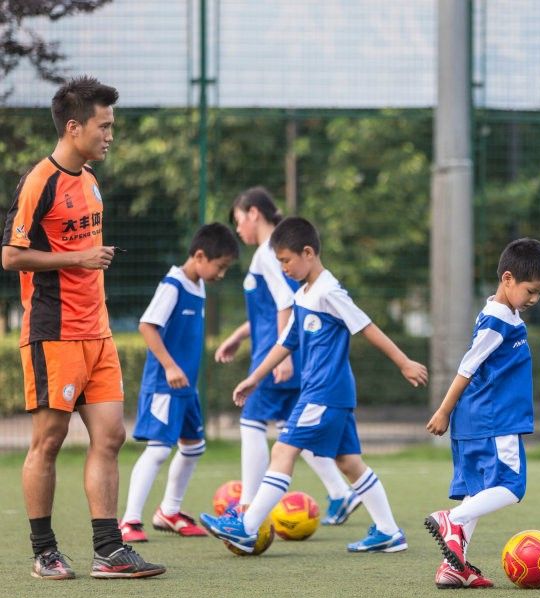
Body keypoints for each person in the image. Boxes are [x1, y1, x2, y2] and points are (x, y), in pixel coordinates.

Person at [0, 76, 164, 579]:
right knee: (48, 440)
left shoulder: (90, 178)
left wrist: (90, 262)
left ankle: (108, 550)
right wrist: (80, 257)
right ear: (74, 127)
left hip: (98, 332)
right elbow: (11, 256)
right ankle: (44, 551)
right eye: (104, 125)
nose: (111, 134)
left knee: (111, 435)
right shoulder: (38, 183)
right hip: (55, 332)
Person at [200, 217, 427, 553]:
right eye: (279, 262)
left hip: (324, 393)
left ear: (308, 252)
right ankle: (389, 531)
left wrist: (404, 362)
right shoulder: (304, 294)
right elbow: (285, 342)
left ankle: (246, 527)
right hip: (329, 394)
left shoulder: (329, 291)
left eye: (287, 261)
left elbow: (365, 327)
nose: (284, 268)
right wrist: (253, 378)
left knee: (282, 449)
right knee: (349, 462)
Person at [214, 188, 360, 525]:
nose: (238, 230)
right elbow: (270, 310)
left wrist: (282, 359)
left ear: (253, 213)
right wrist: (238, 335)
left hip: (276, 355)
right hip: (279, 351)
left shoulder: (269, 253)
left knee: (251, 421)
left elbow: (285, 305)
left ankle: (247, 509)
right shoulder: (271, 255)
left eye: (238, 221)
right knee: (291, 430)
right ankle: (339, 492)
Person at [424, 238, 540, 589]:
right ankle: (450, 520)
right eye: (531, 291)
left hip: (477, 420)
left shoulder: (501, 314)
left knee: (477, 493)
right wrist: (443, 410)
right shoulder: (497, 322)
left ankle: (452, 567)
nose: (534, 300)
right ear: (508, 279)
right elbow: (467, 368)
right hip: (494, 420)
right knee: (511, 487)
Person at [118, 223, 239, 542]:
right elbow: (147, 326)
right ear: (200, 256)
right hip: (164, 385)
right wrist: (170, 366)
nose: (221, 274)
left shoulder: (197, 284)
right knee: (158, 451)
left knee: (194, 447)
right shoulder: (173, 285)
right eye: (220, 266)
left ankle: (169, 512)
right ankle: (129, 522)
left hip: (186, 389)